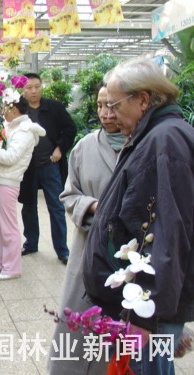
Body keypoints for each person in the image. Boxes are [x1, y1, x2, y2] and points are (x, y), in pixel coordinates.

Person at [83, 58, 194, 373]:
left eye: (115, 105)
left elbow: (168, 233)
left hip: (145, 311)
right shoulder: (154, 136)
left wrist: (147, 316)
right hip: (142, 307)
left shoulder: (165, 141)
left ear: (143, 99)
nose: (110, 115)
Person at [47, 85, 127, 375]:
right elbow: (68, 195)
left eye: (112, 105)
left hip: (129, 255)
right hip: (88, 249)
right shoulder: (84, 147)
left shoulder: (143, 146)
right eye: (99, 105)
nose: (105, 114)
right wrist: (95, 207)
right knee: (79, 322)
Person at [19, 73, 77, 265]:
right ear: (23, 89)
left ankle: (62, 250)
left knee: (56, 207)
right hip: (27, 167)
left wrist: (60, 148)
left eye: (37, 86)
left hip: (50, 165)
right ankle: (31, 242)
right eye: (29, 87)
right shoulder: (18, 109)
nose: (33, 91)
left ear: (41, 87)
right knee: (28, 206)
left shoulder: (53, 107)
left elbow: (70, 128)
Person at [0, 95, 46, 281]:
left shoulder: (25, 130)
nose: (3, 110)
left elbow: (11, 157)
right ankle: (2, 261)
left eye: (6, 107)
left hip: (7, 181)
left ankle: (12, 267)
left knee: (7, 226)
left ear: (15, 109)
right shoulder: (10, 127)